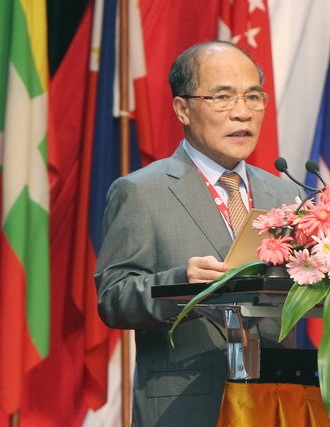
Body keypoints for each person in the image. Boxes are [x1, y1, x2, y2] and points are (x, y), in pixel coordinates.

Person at [94, 41, 302, 426]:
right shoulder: (141, 191)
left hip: (275, 401)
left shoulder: (284, 194)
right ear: (183, 109)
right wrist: (180, 284)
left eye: (253, 97)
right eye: (222, 97)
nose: (242, 112)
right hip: (186, 407)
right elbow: (114, 298)